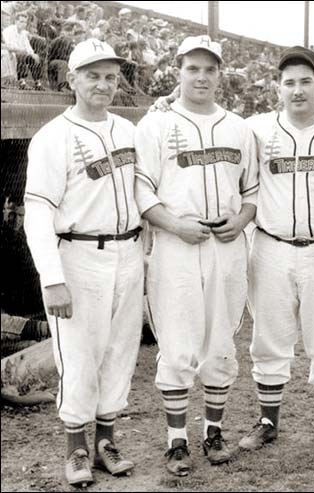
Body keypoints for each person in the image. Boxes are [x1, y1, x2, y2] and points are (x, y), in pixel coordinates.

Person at [134, 35, 259, 476]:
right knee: (177, 340)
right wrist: (173, 225)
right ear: (178, 70)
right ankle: (176, 441)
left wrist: (242, 220)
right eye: (193, 68)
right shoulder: (154, 125)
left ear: (220, 74)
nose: (201, 76)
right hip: (176, 243)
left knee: (221, 341)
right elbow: (141, 190)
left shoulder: (240, 128)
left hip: (225, 244)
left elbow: (253, 190)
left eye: (210, 68)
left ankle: (213, 432)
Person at [24, 38, 142, 488]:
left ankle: (106, 442)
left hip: (128, 251)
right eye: (92, 75)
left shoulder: (129, 131)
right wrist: (52, 279)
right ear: (71, 79)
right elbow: (37, 213)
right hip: (77, 254)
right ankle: (74, 447)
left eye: (110, 76)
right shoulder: (52, 136)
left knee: (119, 350)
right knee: (78, 355)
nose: (103, 84)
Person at [238, 46, 314, 453]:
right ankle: (268, 420)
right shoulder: (255, 128)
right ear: (278, 87)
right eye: (289, 82)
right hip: (271, 246)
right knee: (269, 337)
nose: (298, 90)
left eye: (306, 81)